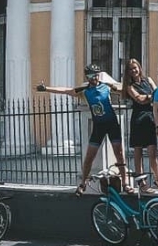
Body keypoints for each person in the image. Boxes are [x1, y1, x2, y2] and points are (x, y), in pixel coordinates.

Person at [37, 64, 129, 196]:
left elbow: (124, 89)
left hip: (112, 124)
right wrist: (46, 89)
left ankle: (125, 183)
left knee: (119, 155)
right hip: (98, 127)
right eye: (91, 75)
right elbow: (66, 90)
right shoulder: (84, 91)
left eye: (96, 74)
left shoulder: (107, 86)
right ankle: (83, 184)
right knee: (89, 157)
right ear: (87, 77)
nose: (94, 78)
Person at [121, 59, 158, 191]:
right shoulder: (128, 85)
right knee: (138, 151)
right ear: (128, 72)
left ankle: (157, 180)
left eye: (135, 67)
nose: (134, 70)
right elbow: (138, 99)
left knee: (152, 151)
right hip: (138, 118)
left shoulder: (148, 80)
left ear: (139, 68)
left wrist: (147, 97)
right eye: (131, 69)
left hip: (150, 118)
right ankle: (141, 181)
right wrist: (150, 96)